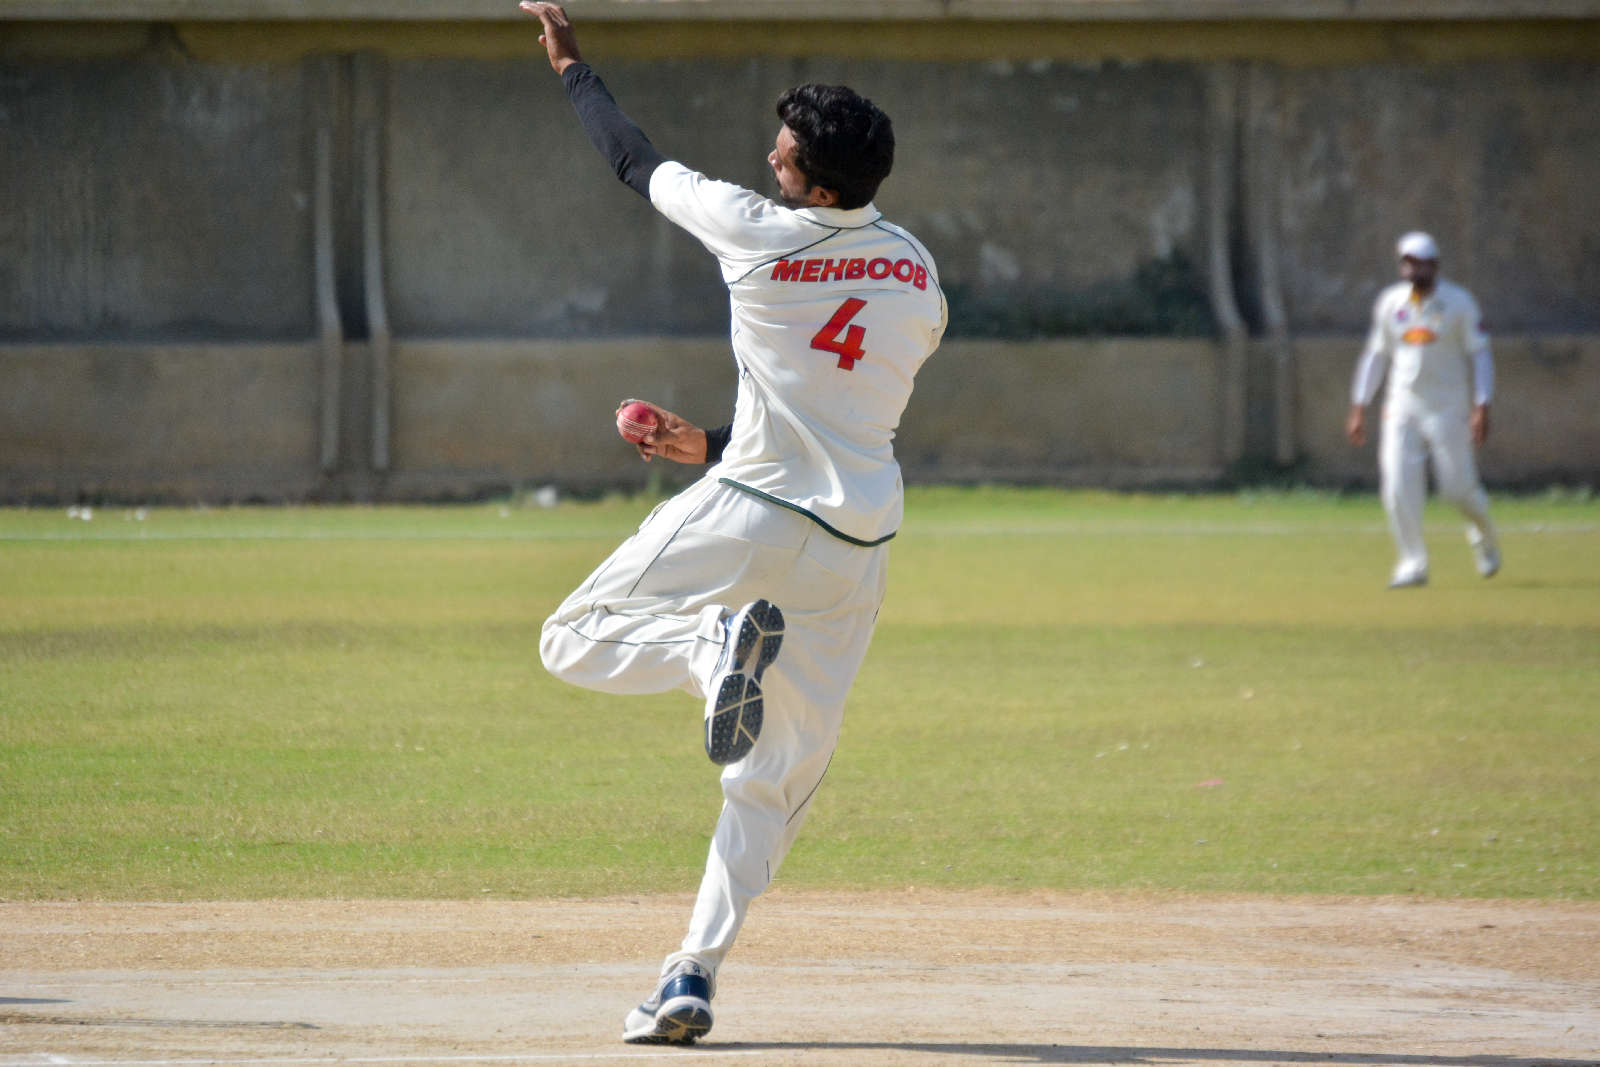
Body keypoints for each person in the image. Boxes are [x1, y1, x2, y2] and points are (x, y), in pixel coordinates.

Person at [520, 1, 946, 1045]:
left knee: (571, 636)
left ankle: (709, 653)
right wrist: (708, 439)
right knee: (771, 782)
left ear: (817, 184)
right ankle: (692, 973)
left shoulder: (753, 231)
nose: (769, 157)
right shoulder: (918, 275)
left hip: (749, 507)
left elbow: (631, 159)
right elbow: (838, 408)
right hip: (853, 546)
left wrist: (571, 66)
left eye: (784, 152)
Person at [1346, 231, 1501, 588]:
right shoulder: (1390, 303)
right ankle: (1412, 563)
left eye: (1420, 263)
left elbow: (1480, 354)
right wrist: (1359, 406)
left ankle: (1484, 536)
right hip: (1402, 406)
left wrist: (1482, 404)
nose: (1413, 270)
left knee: (1458, 490)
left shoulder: (1459, 302)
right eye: (1407, 263)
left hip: (1448, 407)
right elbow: (1376, 355)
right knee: (1397, 486)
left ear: (1435, 265)